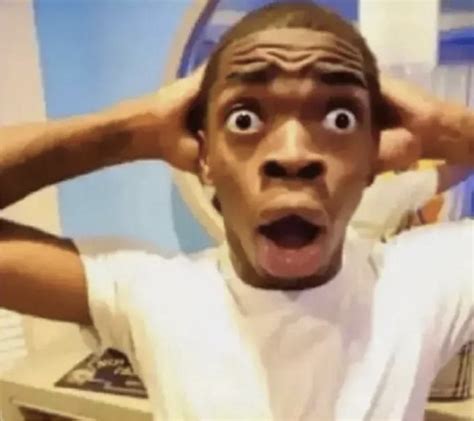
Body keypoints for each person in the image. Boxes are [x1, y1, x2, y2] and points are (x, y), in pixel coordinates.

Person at [0, 2, 473, 420]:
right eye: (244, 118)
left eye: (340, 118)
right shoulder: (152, 294)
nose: (292, 154)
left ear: (373, 157)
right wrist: (135, 127)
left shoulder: (420, 286)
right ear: (204, 156)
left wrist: (445, 124)